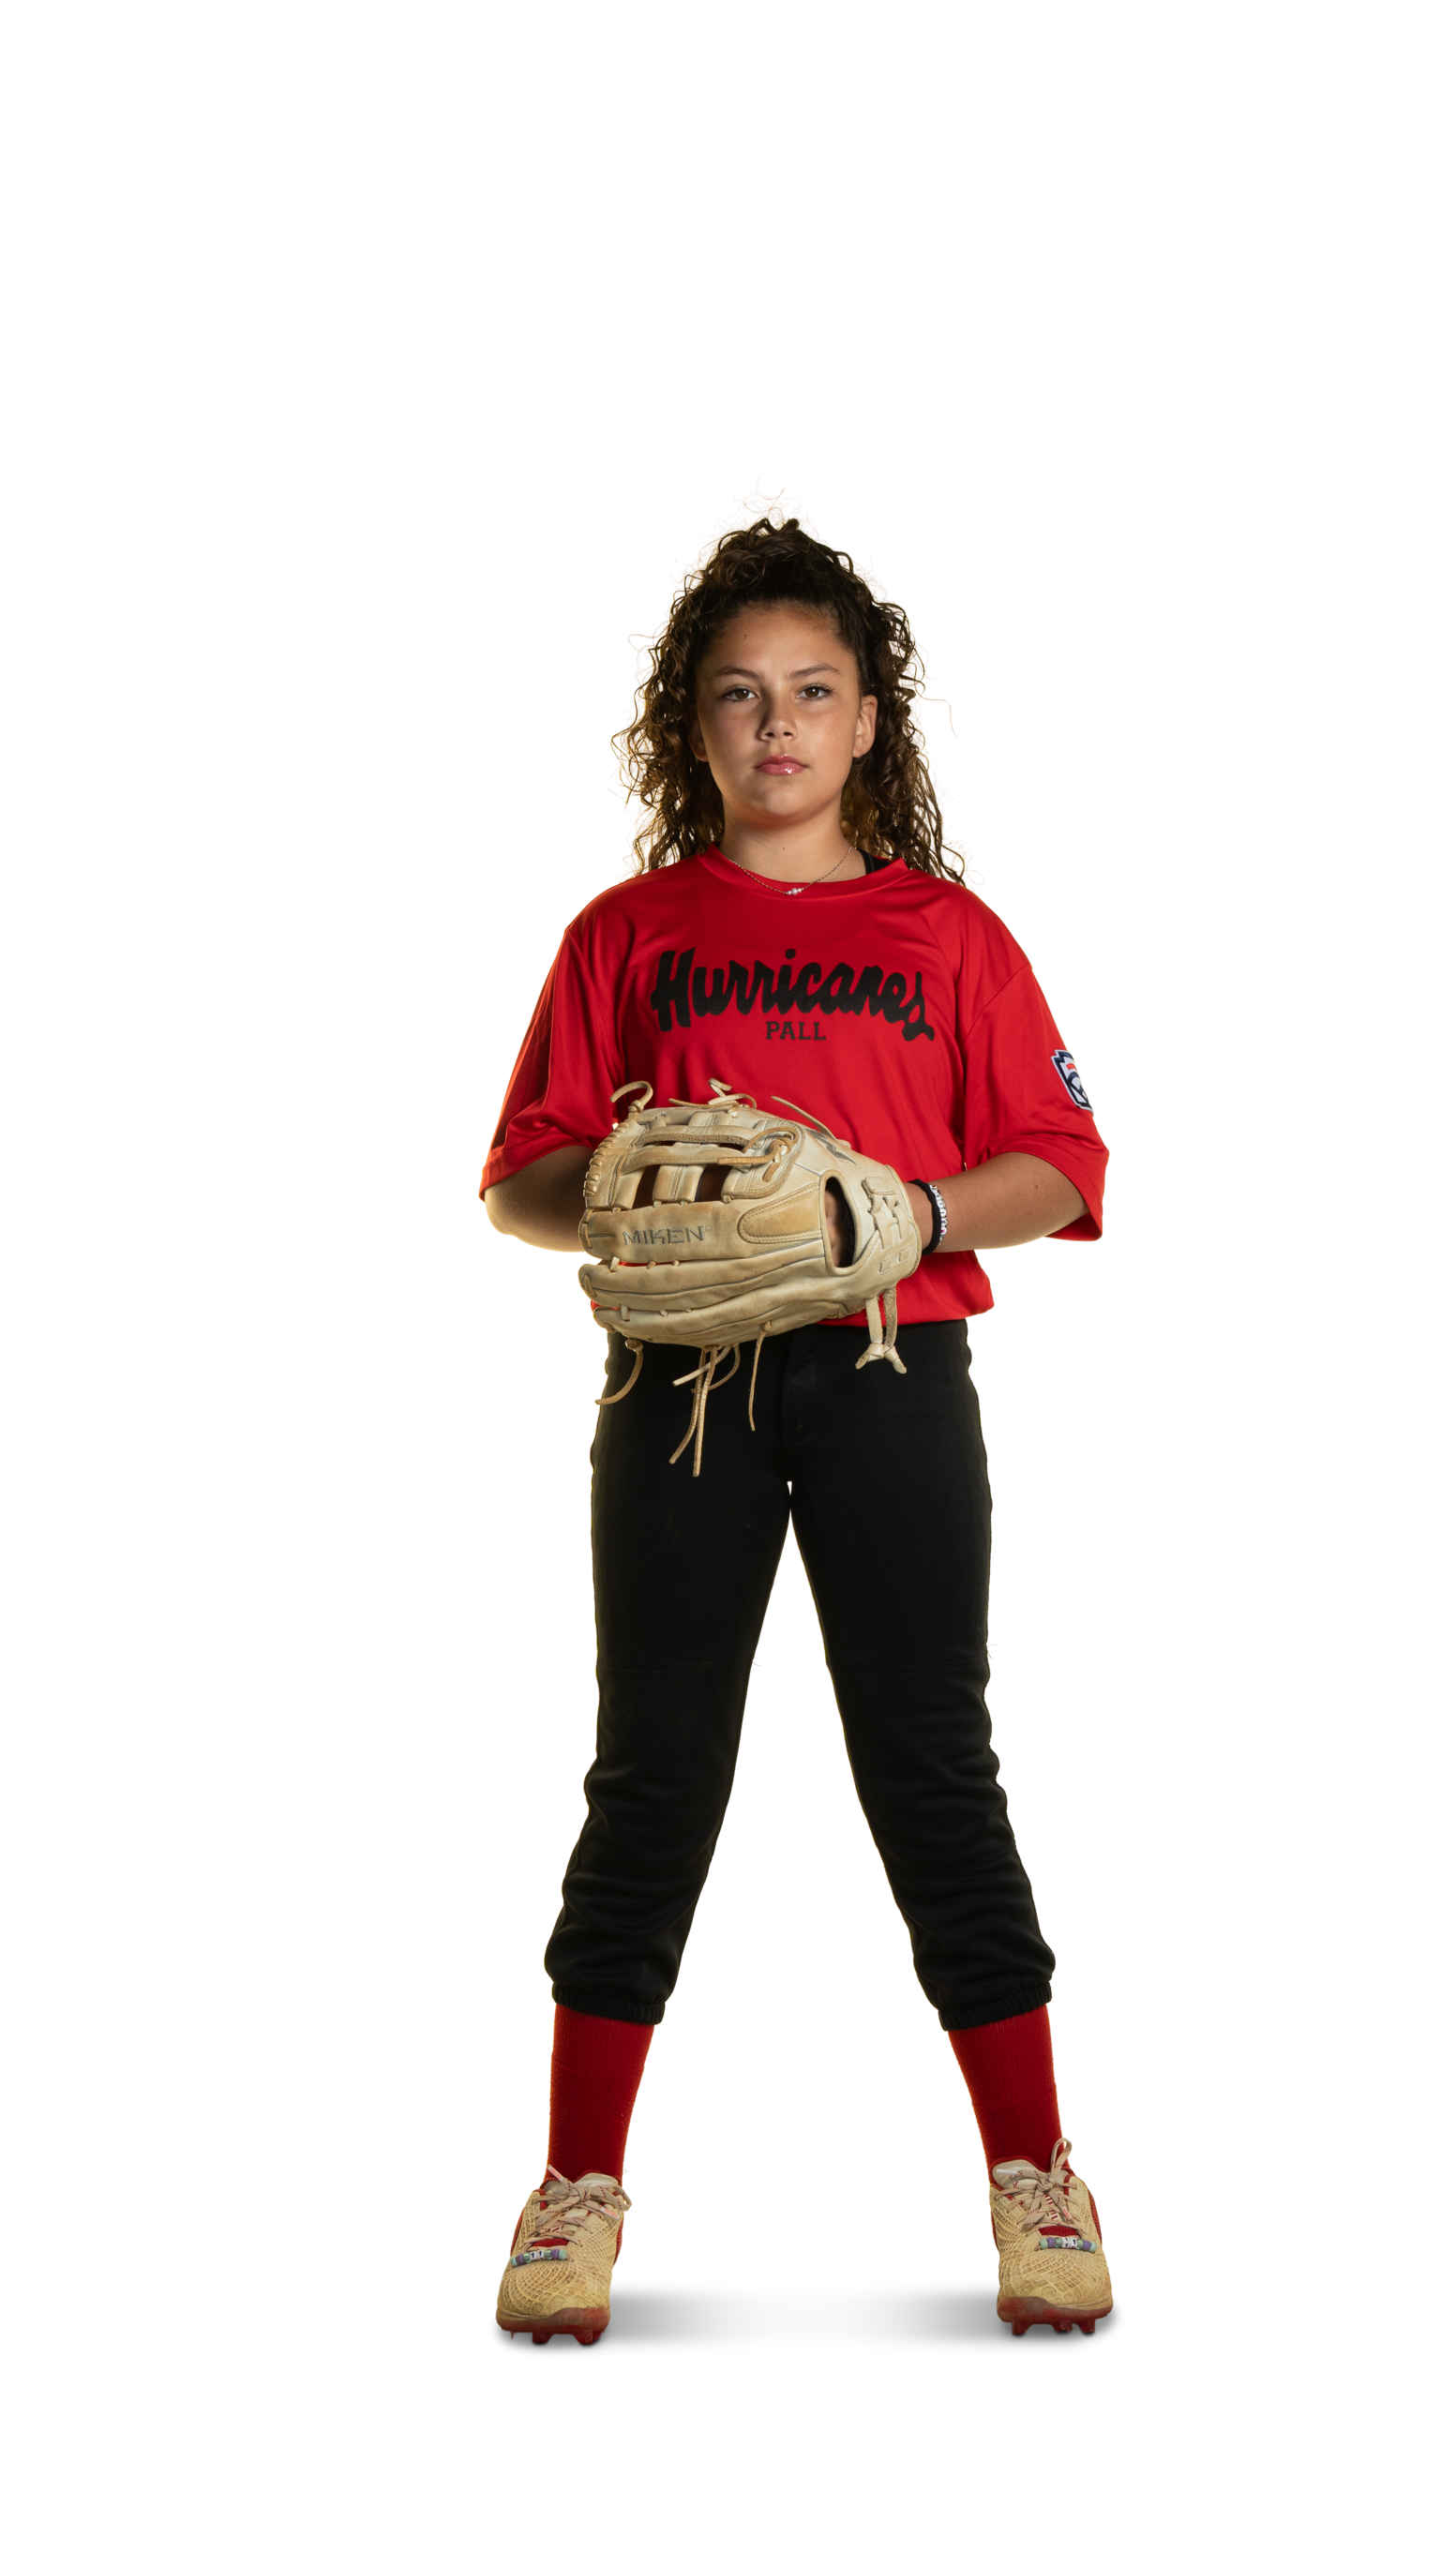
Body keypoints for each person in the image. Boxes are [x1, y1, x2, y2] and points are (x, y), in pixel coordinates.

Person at [480, 493, 1113, 2345]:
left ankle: (1035, 2168)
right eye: (741, 692)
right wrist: (626, 1191)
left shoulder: (946, 932)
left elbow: (1068, 1166)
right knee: (651, 1771)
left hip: (894, 1369)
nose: (778, 724)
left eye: (813, 690)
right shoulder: (627, 930)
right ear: (691, 723)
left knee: (936, 1763)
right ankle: (575, 2184)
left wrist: (906, 1209)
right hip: (680, 1394)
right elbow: (519, 1180)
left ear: (867, 721)